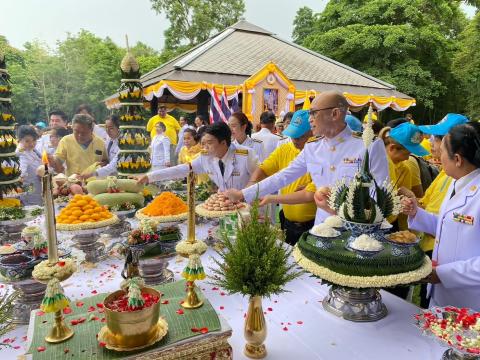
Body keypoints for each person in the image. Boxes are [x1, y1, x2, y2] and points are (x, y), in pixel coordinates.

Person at [225, 91, 390, 225]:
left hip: (356, 231)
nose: (310, 118)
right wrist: (244, 194)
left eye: (313, 113)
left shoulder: (369, 145)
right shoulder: (313, 147)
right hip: (321, 229)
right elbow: (283, 176)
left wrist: (343, 212)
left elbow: (379, 196)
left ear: (334, 113)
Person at [402, 122, 480, 310]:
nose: (437, 154)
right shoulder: (457, 183)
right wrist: (416, 213)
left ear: (458, 159)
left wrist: (443, 274)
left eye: (442, 150)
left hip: (468, 303)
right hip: (442, 294)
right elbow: (448, 226)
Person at [247, 110, 317, 245]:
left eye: (300, 136)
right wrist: (251, 185)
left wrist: (270, 198)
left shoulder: (319, 153)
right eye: (293, 135)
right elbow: (264, 168)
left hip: (313, 224)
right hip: (287, 221)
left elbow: (310, 193)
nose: (295, 140)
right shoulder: (284, 148)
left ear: (313, 132)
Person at [137, 122, 258, 191]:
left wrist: (245, 197)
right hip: (225, 208)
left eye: (209, 143)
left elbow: (260, 180)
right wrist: (149, 177)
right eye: (203, 143)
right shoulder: (205, 157)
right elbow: (183, 169)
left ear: (223, 143)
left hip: (249, 209)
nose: (205, 148)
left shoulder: (246, 155)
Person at [17, 125, 42, 205]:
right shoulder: (22, 154)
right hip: (30, 187)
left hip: (36, 186)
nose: (31, 144)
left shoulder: (32, 150)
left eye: (34, 140)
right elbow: (22, 172)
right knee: (33, 208)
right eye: (27, 141)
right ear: (20, 140)